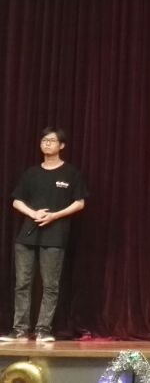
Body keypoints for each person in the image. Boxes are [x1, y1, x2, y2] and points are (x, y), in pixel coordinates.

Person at [0, 127, 88, 343]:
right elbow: (16, 200)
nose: (47, 143)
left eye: (52, 140)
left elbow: (79, 203)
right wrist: (33, 213)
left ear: (61, 145)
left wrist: (55, 215)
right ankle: (19, 330)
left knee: (50, 285)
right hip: (27, 235)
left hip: (55, 235)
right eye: (44, 140)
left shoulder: (70, 173)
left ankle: (43, 329)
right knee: (22, 283)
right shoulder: (31, 173)